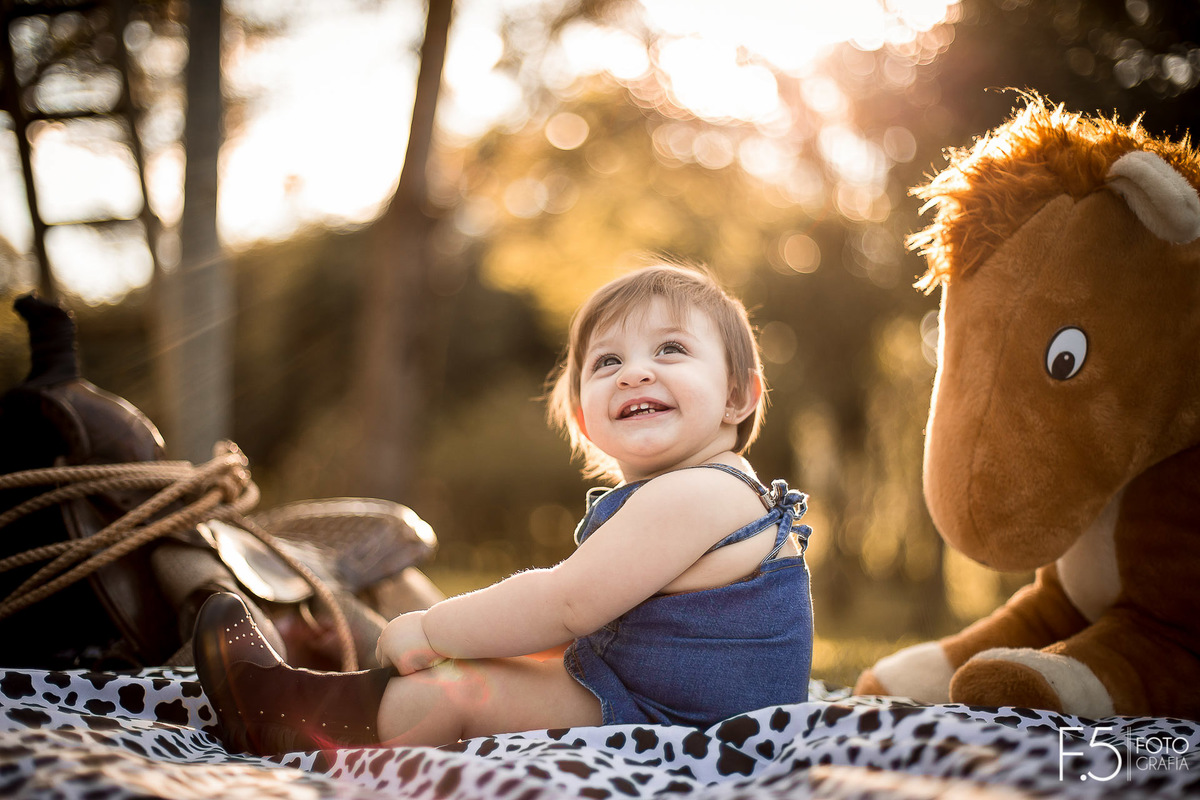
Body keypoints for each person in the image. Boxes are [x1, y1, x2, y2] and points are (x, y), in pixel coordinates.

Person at [193, 262, 814, 755]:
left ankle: (285, 716)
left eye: (671, 350)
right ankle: (347, 674)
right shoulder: (699, 492)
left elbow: (565, 604)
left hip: (687, 735)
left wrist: (431, 630)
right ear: (583, 418)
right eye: (607, 362)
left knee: (458, 692)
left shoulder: (702, 491)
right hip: (665, 706)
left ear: (738, 395)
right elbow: (592, 627)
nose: (634, 374)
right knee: (487, 662)